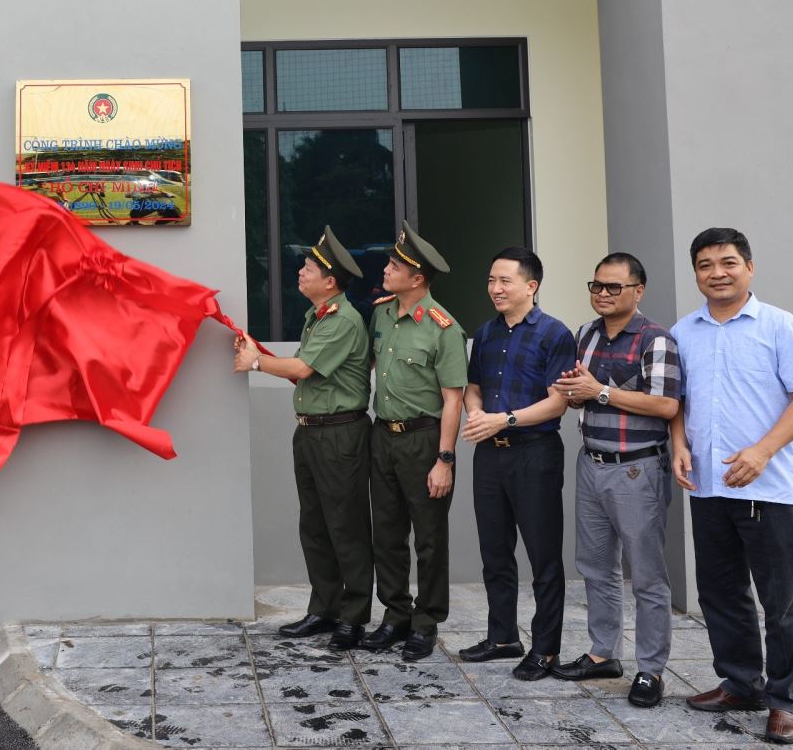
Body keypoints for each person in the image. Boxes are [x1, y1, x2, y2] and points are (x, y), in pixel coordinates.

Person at [669, 228, 793, 746]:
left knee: (781, 602)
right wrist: (679, 444)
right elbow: (678, 403)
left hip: (768, 487)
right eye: (706, 264)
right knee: (721, 592)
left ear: (749, 267)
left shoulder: (782, 328)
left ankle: (784, 702)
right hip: (708, 486)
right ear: (696, 274)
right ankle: (741, 683)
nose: (717, 272)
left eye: (728, 262)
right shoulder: (683, 332)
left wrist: (761, 451)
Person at [550, 253, 682, 708]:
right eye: (597, 286)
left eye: (614, 287)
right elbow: (579, 395)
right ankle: (603, 652)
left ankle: (650, 670)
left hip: (636, 468)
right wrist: (574, 393)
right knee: (595, 567)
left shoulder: (656, 340)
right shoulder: (584, 334)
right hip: (591, 463)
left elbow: (667, 406)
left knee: (646, 576)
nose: (602, 294)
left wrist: (600, 391)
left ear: (638, 291)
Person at [233, 227, 372, 652]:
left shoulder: (343, 320)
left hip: (339, 434)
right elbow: (298, 365)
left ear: (330, 281)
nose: (300, 272)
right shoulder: (319, 316)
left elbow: (303, 369)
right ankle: (324, 607)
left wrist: (256, 362)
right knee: (314, 525)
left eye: (308, 268)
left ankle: (353, 616)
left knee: (345, 526)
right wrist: (258, 354)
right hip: (311, 431)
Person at [459, 246, 574, 681]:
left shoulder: (555, 334)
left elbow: (558, 403)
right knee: (495, 552)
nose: (495, 288)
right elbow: (474, 385)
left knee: (543, 557)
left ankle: (546, 650)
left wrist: (502, 419)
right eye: (491, 280)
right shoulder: (486, 333)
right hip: (490, 455)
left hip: (534, 454)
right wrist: (476, 413)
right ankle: (503, 636)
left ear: (531, 285)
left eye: (504, 280)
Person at [361, 220, 465, 662]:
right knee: (385, 533)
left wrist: (445, 459)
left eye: (394, 264)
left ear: (417, 278)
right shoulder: (382, 312)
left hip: (424, 440)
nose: (386, 268)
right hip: (382, 435)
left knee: (428, 538)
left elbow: (453, 400)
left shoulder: (444, 328)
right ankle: (395, 614)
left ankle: (426, 622)